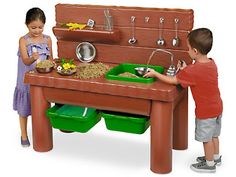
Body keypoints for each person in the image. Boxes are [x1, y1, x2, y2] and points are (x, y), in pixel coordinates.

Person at [144, 28, 223, 173]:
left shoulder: (192, 71)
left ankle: (210, 164)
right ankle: (215, 157)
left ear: (195, 51)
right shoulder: (211, 63)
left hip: (205, 111)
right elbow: (199, 75)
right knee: (214, 135)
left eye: (188, 48)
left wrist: (155, 74)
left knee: (207, 139)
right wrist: (186, 69)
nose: (187, 51)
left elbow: (174, 80)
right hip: (217, 107)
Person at [13, 7, 53, 147]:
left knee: (41, 107)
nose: (37, 31)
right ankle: (24, 134)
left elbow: (51, 59)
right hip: (26, 81)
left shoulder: (48, 39)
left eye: (40, 27)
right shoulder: (24, 40)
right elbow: (25, 60)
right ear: (26, 25)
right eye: (33, 27)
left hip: (41, 80)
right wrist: (32, 58)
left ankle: (41, 133)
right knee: (24, 108)